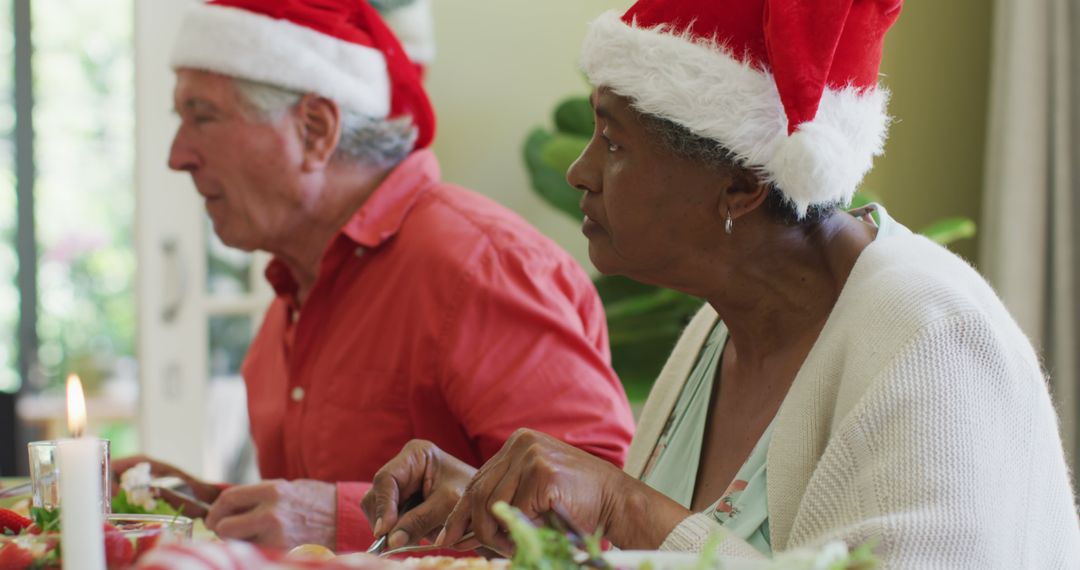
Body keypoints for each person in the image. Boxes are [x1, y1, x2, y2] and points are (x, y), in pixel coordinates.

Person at [362, 0, 1080, 566]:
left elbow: (655, 530)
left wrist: (621, 504)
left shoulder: (934, 340)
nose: (580, 171)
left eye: (613, 143)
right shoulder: (720, 325)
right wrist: (511, 520)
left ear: (740, 186)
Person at [114, 0, 635, 554]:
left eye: (202, 116)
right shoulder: (289, 299)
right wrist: (205, 505)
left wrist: (344, 524)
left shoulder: (480, 266)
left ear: (315, 130)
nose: (178, 155)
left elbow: (599, 526)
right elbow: (308, 512)